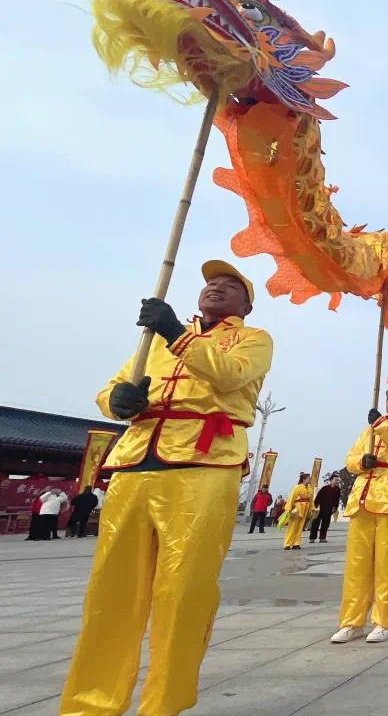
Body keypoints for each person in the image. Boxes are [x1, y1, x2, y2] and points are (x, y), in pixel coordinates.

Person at [61, 259, 272, 716]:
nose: (216, 287)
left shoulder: (253, 340)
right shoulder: (153, 339)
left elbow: (230, 374)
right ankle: (89, 706)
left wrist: (176, 332)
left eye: (229, 285)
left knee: (183, 592)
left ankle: (163, 705)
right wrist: (117, 401)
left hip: (204, 462)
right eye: (211, 282)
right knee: (110, 592)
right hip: (136, 460)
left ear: (247, 304)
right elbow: (116, 384)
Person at [331, 385, 388, 643]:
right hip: (364, 498)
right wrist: (362, 462)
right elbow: (350, 457)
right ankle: (352, 621)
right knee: (357, 566)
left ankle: (385, 620)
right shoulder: (368, 431)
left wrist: (381, 424)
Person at [282, 472, 312, 550]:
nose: (310, 480)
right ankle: (287, 543)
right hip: (297, 509)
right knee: (292, 526)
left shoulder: (309, 488)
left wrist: (312, 508)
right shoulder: (297, 487)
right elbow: (291, 498)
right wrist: (288, 508)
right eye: (308, 478)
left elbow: (311, 500)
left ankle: (296, 543)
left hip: (305, 509)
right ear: (304, 479)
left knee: (300, 527)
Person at [310, 475, 341, 543]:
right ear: (331, 480)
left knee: (325, 524)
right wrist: (314, 507)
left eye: (337, 480)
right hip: (320, 508)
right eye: (335, 480)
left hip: (329, 509)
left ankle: (322, 538)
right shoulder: (324, 488)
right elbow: (317, 498)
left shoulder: (337, 489)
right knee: (315, 523)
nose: (337, 481)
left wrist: (335, 507)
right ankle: (312, 538)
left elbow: (337, 500)